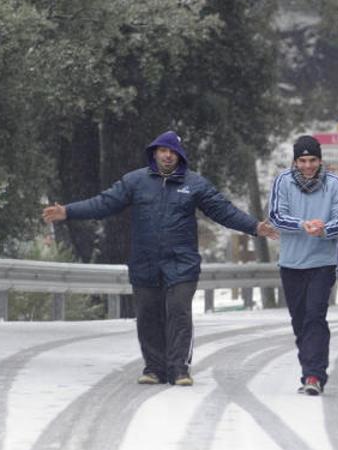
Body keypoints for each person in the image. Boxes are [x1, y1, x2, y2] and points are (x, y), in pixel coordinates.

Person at [43, 130, 277, 387]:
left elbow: (224, 211)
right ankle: (154, 368)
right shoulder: (135, 182)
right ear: (154, 153)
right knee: (147, 314)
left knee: (178, 312)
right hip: (145, 261)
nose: (168, 156)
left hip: (181, 262)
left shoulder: (195, 184)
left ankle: (179, 369)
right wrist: (67, 211)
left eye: (173, 152)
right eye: (163, 150)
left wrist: (255, 227)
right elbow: (104, 203)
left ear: (180, 156)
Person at [268, 135, 338, 395]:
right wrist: (301, 225)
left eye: (312, 160)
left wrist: (324, 229)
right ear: (295, 161)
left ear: (320, 159)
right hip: (291, 263)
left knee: (315, 316)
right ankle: (310, 370)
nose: (307, 166)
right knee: (300, 320)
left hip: (322, 263)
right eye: (302, 160)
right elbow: (275, 216)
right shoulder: (282, 182)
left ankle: (314, 375)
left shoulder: (335, 184)